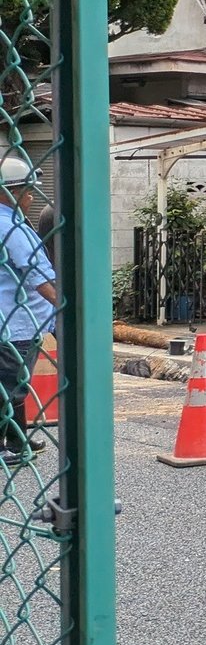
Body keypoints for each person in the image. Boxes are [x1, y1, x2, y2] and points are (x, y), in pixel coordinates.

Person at [0, 156, 55, 462]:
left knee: (16, 381)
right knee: (10, 384)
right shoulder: (9, 225)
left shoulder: (10, 221)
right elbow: (35, 275)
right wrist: (62, 306)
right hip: (17, 321)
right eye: (26, 189)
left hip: (12, 319)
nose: (32, 195)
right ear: (10, 192)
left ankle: (18, 440)